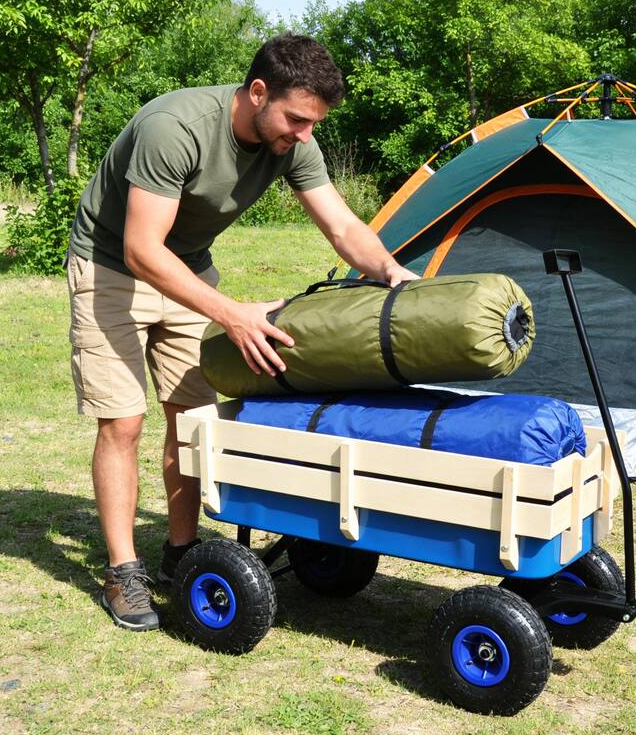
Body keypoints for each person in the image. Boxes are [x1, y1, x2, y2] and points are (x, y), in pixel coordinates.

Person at [66, 34, 417, 632]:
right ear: (258, 92)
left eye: (313, 123)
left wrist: (389, 270)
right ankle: (123, 571)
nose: (304, 134)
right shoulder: (175, 128)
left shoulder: (294, 141)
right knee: (122, 421)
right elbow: (141, 248)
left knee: (192, 419)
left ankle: (180, 551)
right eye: (297, 119)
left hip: (188, 269)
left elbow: (342, 226)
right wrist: (232, 313)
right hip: (111, 268)